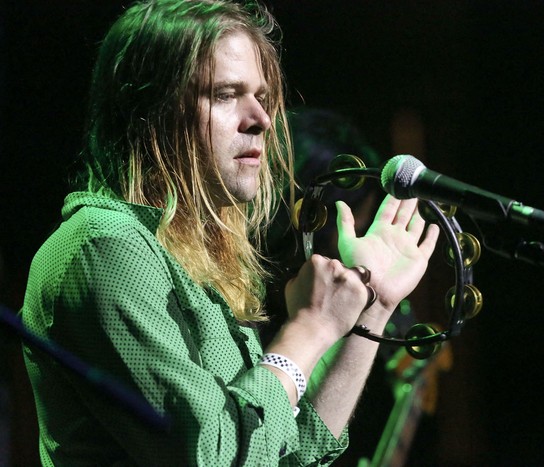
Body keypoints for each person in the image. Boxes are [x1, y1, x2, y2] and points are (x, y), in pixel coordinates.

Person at [19, 1, 439, 466]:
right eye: (224, 94)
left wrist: (371, 304)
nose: (261, 119)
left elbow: (286, 454)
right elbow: (213, 456)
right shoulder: (103, 247)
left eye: (262, 96)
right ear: (151, 110)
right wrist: (309, 329)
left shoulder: (187, 257)